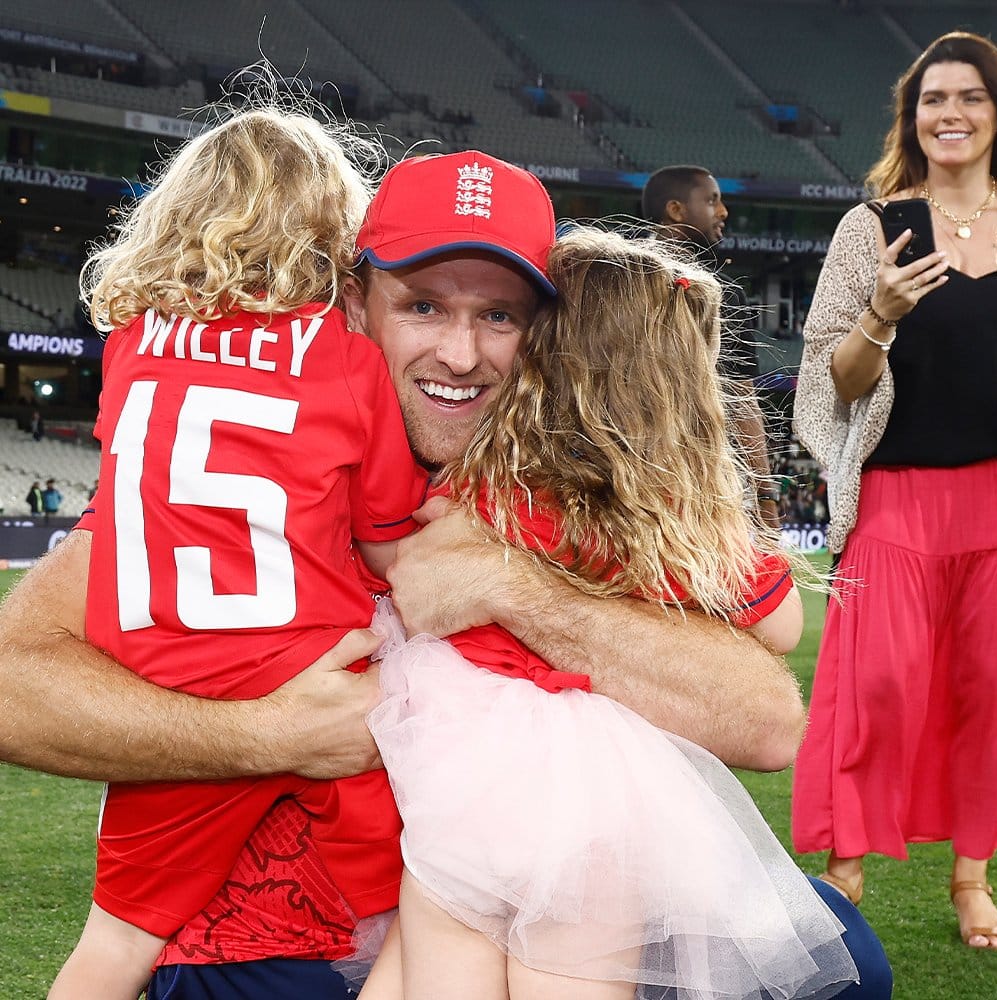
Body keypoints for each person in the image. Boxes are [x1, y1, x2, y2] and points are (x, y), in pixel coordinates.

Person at [0, 151, 890, 999]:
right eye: (423, 306)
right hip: (302, 925)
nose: (460, 357)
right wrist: (267, 736)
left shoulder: (555, 487)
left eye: (498, 317)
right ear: (353, 303)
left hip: (524, 883)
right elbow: (12, 687)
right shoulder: (250, 476)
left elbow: (769, 722)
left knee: (842, 963)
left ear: (545, 336)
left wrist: (517, 587)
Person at [350, 226, 857, 1000]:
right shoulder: (668, 516)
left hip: (462, 769)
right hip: (597, 790)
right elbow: (780, 625)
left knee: (429, 967)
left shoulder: (488, 483)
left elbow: (408, 572)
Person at [47, 106, 429, 1000]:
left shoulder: (133, 345)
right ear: (333, 230)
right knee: (432, 900)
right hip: (311, 670)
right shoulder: (345, 358)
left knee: (114, 942)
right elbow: (383, 538)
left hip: (163, 684)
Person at [791, 30, 997, 951]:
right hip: (896, 497)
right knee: (874, 687)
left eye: (971, 98)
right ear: (912, 118)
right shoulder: (871, 227)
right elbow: (829, 380)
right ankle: (844, 871)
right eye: (933, 100)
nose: (950, 114)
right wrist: (881, 311)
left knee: (990, 688)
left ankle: (971, 877)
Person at [642, 165, 781, 530]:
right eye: (712, 200)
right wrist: (765, 496)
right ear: (676, 210)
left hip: (626, 487)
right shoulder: (720, 293)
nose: (723, 212)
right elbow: (742, 403)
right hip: (702, 496)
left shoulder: (614, 283)